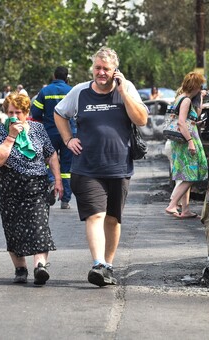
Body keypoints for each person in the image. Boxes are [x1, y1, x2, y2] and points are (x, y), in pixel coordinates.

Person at [54, 47, 148, 287]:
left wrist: (123, 92)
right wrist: (68, 139)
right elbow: (59, 113)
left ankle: (108, 265)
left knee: (113, 219)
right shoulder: (80, 91)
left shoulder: (126, 89)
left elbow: (141, 120)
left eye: (106, 69)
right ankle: (97, 264)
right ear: (92, 69)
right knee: (95, 215)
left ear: (115, 70)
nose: (101, 73)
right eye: (97, 68)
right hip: (86, 167)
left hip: (118, 167)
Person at [0, 92, 63, 285]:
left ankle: (40, 266)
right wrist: (11, 137)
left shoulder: (38, 129)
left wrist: (58, 179)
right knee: (12, 226)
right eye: (11, 112)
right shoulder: (0, 130)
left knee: (39, 224)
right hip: (10, 184)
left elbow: (51, 155)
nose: (14, 116)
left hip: (36, 183)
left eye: (19, 112)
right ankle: (20, 268)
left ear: (27, 113)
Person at [164, 71, 208, 219]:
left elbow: (191, 117)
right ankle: (172, 205)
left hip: (180, 141)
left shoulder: (180, 98)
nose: (200, 88)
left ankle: (185, 209)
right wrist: (190, 142)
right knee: (191, 175)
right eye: (199, 85)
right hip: (185, 141)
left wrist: (200, 98)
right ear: (195, 85)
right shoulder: (186, 100)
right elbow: (182, 123)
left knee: (185, 174)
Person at [30, 66, 74, 210]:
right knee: (67, 168)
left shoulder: (45, 91)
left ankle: (50, 183)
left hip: (50, 133)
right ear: (66, 77)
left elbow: (35, 113)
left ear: (54, 76)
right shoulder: (72, 91)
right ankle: (65, 200)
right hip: (68, 135)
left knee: (49, 162)